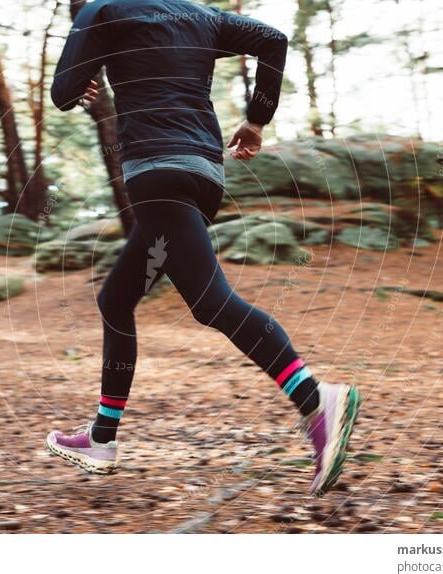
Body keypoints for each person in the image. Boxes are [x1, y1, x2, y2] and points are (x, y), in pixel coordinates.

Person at [46, 0, 359, 496]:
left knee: (211, 302)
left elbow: (62, 92)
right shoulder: (199, 15)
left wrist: (83, 76)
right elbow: (273, 40)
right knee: (116, 299)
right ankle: (102, 438)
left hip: (156, 174)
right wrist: (257, 121)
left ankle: (316, 399)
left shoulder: (102, 11)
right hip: (205, 176)